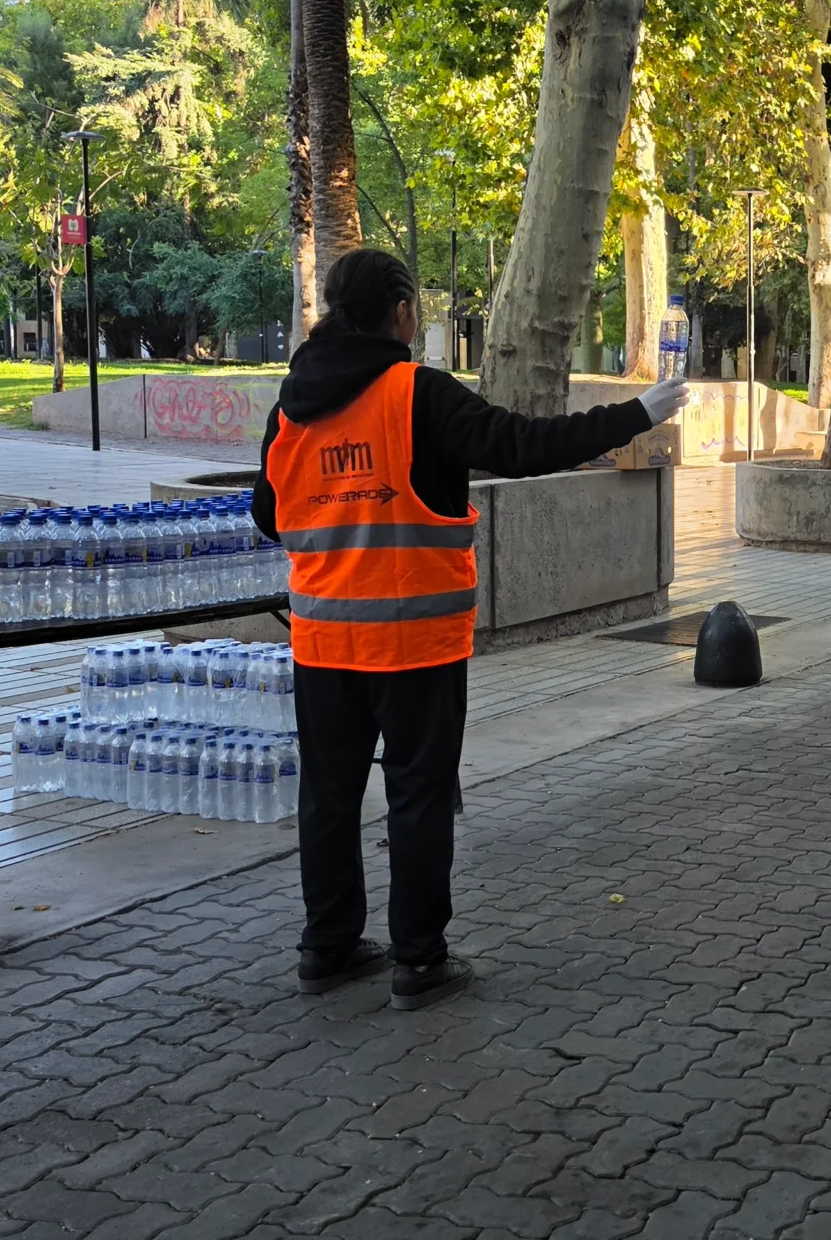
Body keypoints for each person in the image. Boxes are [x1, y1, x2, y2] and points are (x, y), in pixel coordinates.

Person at [252, 249, 686, 1009]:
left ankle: (327, 945)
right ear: (401, 313)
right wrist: (637, 414)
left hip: (321, 644)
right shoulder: (415, 394)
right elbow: (521, 446)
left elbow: (268, 513)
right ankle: (419, 961)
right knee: (417, 796)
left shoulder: (291, 407)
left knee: (329, 796)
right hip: (412, 644)